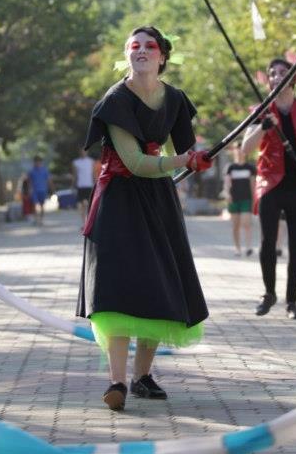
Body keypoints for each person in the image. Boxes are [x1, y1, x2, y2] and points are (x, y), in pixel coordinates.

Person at [77, 25, 210, 412]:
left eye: (150, 47)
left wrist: (198, 158)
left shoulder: (175, 99)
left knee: (158, 284)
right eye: (134, 46)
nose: (142, 51)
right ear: (127, 54)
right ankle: (116, 381)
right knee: (117, 290)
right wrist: (181, 161)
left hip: (158, 200)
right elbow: (134, 163)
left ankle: (143, 376)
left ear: (162, 56)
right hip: (119, 200)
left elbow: (187, 148)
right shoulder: (115, 100)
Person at [242, 58, 296, 320]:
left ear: (293, 78)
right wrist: (263, 128)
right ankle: (269, 293)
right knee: (268, 241)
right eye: (272, 73)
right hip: (269, 183)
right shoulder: (262, 110)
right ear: (269, 80)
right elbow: (246, 148)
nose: (277, 76)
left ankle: (292, 302)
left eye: (283, 72)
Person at [223, 144, 256, 257]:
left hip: (246, 199)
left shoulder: (250, 168)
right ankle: (237, 248)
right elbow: (227, 183)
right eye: (237, 150)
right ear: (234, 152)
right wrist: (227, 194)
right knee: (235, 225)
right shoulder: (230, 167)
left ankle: (248, 247)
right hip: (234, 199)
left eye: (241, 150)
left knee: (246, 223)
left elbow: (253, 184)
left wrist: (255, 199)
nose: (239, 152)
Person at [72, 149, 97, 225]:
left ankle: (90, 222)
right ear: (79, 152)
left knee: (89, 205)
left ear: (87, 152)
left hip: (89, 185)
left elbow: (93, 174)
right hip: (80, 185)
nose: (83, 152)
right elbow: (75, 175)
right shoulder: (76, 162)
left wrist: (95, 184)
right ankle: (84, 223)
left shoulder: (91, 161)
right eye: (81, 151)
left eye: (84, 151)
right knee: (81, 205)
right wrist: (73, 185)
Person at [28, 155, 52, 226]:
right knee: (34, 205)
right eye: (36, 162)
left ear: (41, 162)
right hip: (34, 190)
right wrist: (30, 189)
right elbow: (29, 181)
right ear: (34, 162)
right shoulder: (31, 171)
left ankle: (41, 220)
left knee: (42, 205)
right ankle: (36, 219)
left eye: (39, 162)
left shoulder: (45, 170)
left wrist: (51, 189)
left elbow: (49, 180)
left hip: (43, 190)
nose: (37, 163)